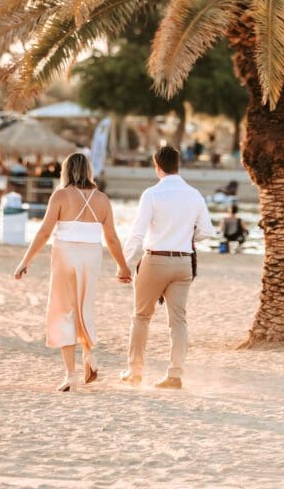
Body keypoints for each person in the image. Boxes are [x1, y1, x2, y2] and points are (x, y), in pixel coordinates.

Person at [13, 151, 132, 392]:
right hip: (92, 256)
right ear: (88, 171)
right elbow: (111, 237)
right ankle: (89, 355)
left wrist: (25, 261)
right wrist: (123, 265)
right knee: (83, 306)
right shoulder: (102, 199)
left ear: (66, 171)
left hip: (65, 254)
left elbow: (45, 232)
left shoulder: (60, 195)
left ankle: (70, 374)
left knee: (63, 309)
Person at [121, 145, 215, 389]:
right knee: (178, 320)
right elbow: (207, 231)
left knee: (141, 316)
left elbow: (137, 233)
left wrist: (123, 262)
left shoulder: (152, 194)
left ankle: (135, 372)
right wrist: (185, 235)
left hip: (156, 260)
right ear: (178, 164)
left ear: (157, 165)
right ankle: (175, 374)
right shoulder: (194, 194)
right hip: (183, 262)